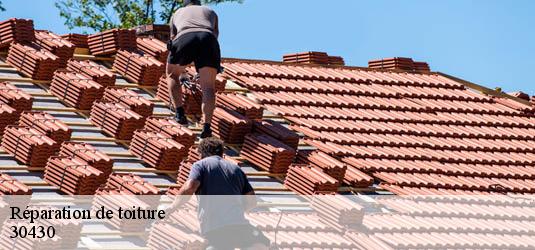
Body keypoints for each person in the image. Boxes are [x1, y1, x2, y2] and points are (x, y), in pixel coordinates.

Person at [166, 137, 270, 250]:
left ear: (203, 153)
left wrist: (172, 207)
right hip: (238, 224)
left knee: (219, 245)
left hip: (214, 226)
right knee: (261, 243)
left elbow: (189, 187)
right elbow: (252, 201)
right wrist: (233, 212)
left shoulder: (200, 165)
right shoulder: (236, 169)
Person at [167, 0, 221, 138]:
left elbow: (173, 39)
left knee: (172, 75)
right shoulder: (210, 12)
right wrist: (204, 67)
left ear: (186, 4)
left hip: (185, 37)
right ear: (199, 3)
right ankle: (207, 127)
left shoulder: (177, 13)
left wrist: (182, 71)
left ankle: (179, 114)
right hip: (208, 39)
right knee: (208, 86)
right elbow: (215, 35)